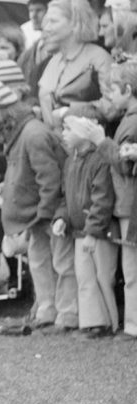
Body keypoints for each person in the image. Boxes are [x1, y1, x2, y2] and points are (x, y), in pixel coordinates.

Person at [0, 82, 77, 333]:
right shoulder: (21, 134)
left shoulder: (33, 135)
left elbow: (50, 179)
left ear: (2, 117)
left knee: (62, 264)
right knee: (40, 263)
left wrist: (45, 213)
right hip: (37, 215)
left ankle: (68, 315)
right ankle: (47, 311)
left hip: (49, 214)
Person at [84, 60, 137, 340]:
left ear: (127, 90)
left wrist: (100, 141)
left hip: (129, 204)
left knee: (132, 269)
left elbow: (124, 165)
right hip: (128, 204)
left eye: (112, 90)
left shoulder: (131, 122)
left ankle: (133, 325)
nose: (109, 97)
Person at [53, 116, 117, 339]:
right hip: (81, 232)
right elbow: (65, 197)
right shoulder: (71, 161)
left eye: (68, 128)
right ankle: (93, 323)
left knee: (100, 278)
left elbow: (102, 200)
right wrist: (61, 217)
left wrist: (92, 232)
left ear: (84, 131)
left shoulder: (99, 161)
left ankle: (105, 323)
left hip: (96, 233)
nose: (63, 133)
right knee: (85, 278)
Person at [38, 0, 112, 128]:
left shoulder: (99, 58)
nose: (46, 28)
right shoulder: (53, 61)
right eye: (47, 22)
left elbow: (113, 106)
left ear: (74, 23)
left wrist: (71, 111)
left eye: (53, 21)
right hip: (52, 144)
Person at [19, 0, 61, 92]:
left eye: (39, 10)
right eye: (31, 11)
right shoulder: (28, 53)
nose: (33, 16)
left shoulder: (63, 47)